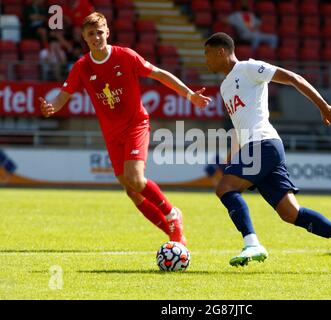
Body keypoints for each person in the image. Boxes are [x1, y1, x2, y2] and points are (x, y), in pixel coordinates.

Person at [39, 12, 211, 245]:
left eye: (100, 32)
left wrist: (189, 94)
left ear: (107, 33)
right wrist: (52, 108)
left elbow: (160, 74)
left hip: (135, 125)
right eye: (91, 34)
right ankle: (172, 237)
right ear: (84, 38)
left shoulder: (126, 56)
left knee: (136, 179)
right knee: (131, 191)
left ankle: (172, 215)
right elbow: (63, 95)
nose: (96, 37)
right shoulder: (82, 66)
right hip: (111, 134)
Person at [203, 32, 331, 272]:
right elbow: (241, 126)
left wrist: (323, 106)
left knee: (225, 187)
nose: (205, 60)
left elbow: (292, 77)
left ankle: (252, 243)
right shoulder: (225, 87)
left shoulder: (249, 68)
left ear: (221, 51)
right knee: (290, 213)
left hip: (264, 143)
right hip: (257, 147)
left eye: (207, 53)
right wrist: (232, 155)